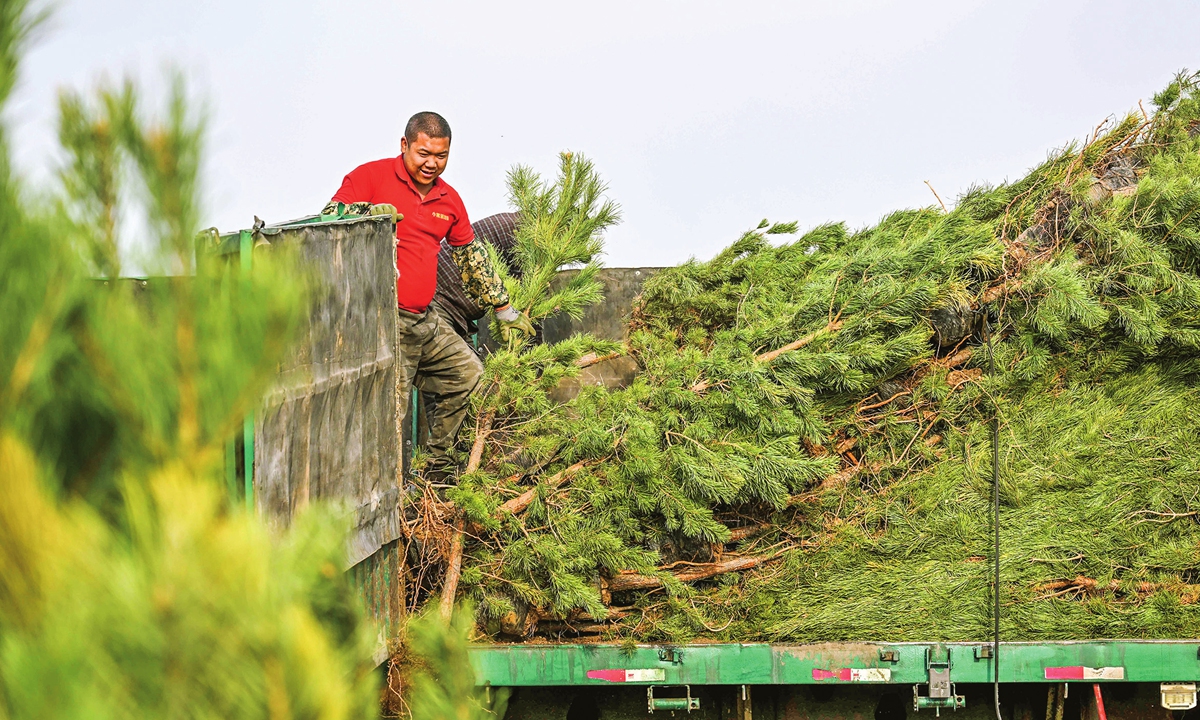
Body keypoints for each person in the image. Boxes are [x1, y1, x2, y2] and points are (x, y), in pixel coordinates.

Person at [322, 112, 534, 477]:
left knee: (468, 376)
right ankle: (381, 501)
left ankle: (435, 469)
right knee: (389, 415)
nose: (432, 163)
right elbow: (330, 219)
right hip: (383, 322)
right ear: (404, 145)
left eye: (441, 155)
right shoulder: (370, 177)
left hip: (425, 320)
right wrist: (368, 215)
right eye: (424, 153)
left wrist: (504, 309)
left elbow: (471, 257)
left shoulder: (448, 199)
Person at [433, 211, 521, 342]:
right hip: (439, 301)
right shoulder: (524, 237)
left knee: (471, 360)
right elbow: (524, 307)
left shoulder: (515, 222)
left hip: (455, 311)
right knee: (459, 361)